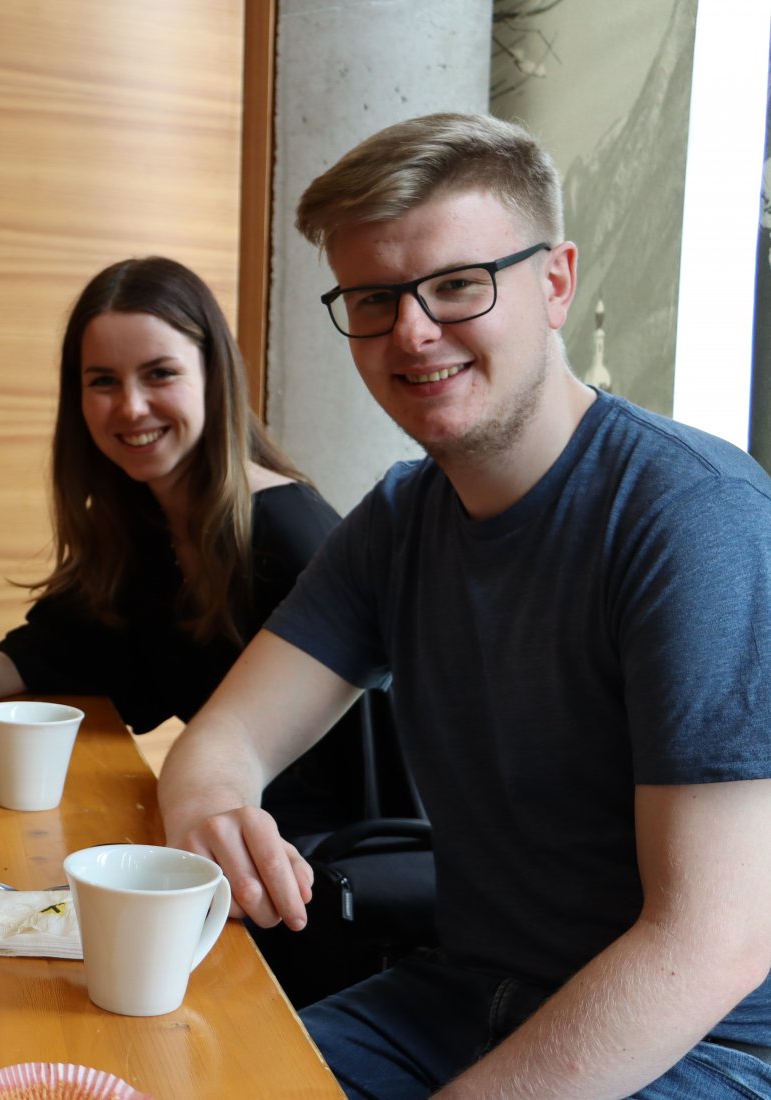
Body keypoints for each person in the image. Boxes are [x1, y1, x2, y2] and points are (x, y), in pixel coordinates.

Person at [157, 112, 771, 1098]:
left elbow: (712, 941)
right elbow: (221, 742)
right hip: (458, 993)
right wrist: (213, 811)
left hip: (699, 1045)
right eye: (374, 297)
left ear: (556, 282)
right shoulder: (402, 516)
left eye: (457, 284)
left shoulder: (693, 517)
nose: (412, 331)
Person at [0, 257, 358, 837]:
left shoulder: (287, 534)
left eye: (159, 374)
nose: (131, 407)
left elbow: (360, 780)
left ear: (213, 375)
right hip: (218, 837)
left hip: (322, 858)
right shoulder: (144, 524)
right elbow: (54, 650)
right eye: (103, 381)